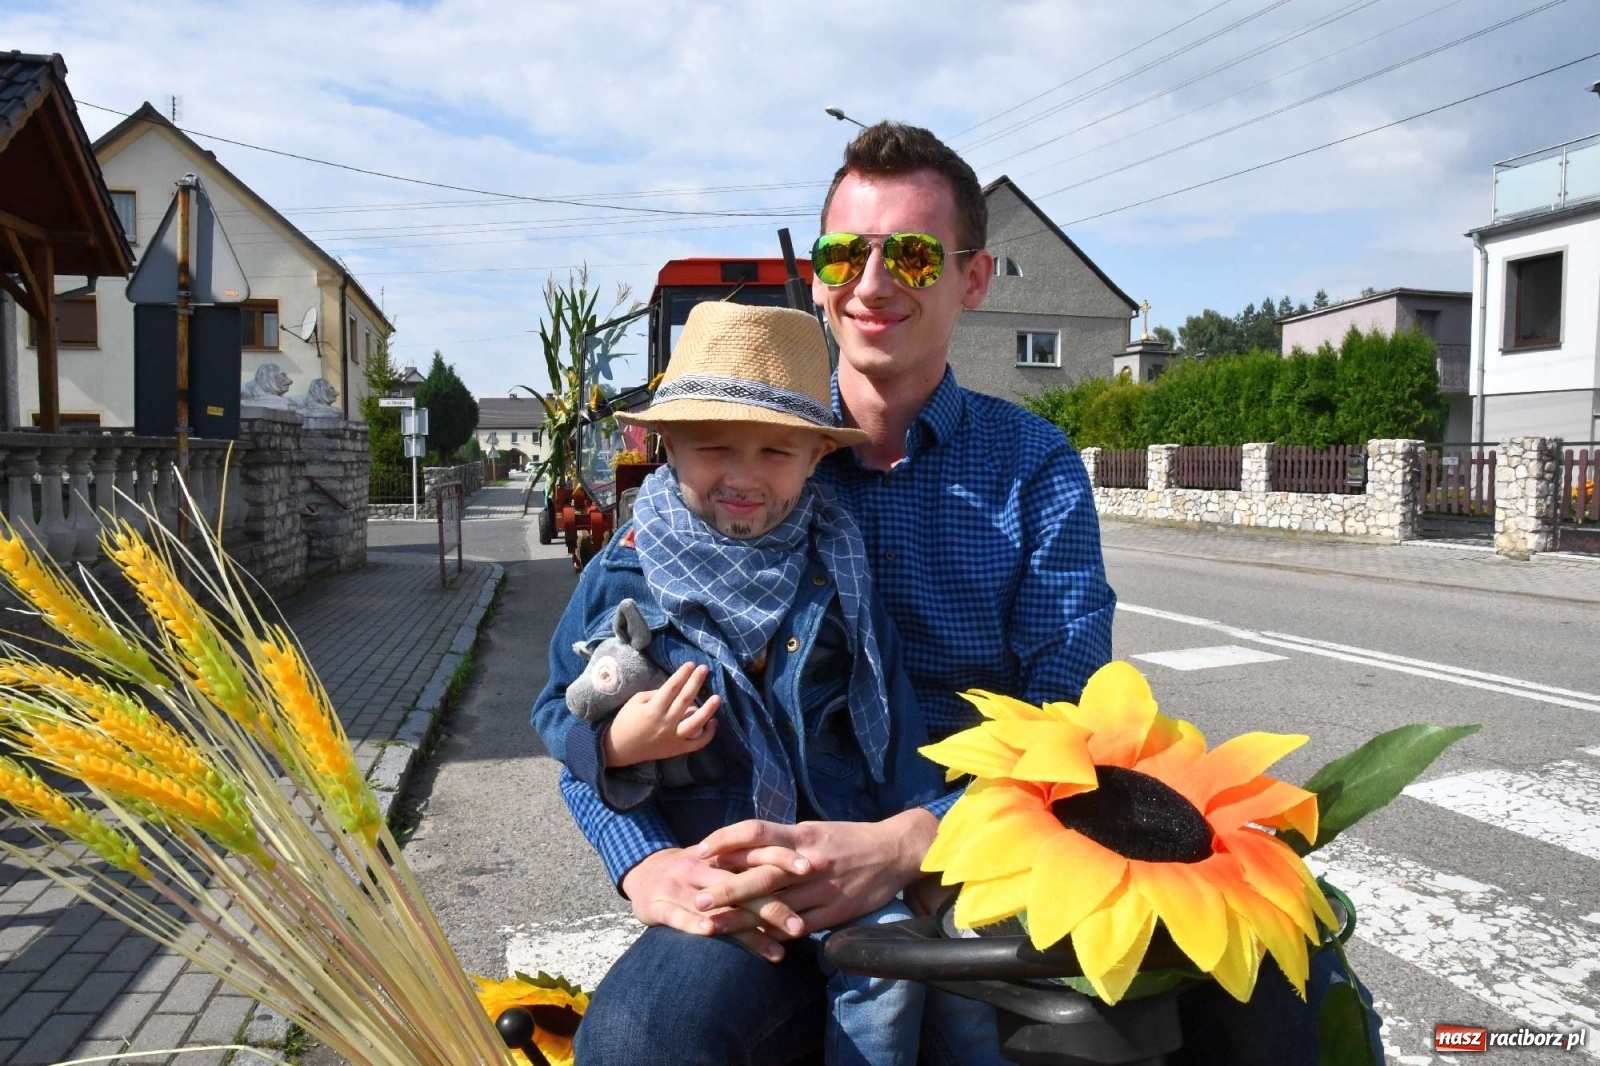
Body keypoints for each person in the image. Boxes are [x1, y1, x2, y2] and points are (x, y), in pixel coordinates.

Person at [533, 300, 1002, 1065]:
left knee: (909, 987)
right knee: (634, 1037)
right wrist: (617, 748)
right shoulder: (624, 575)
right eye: (714, 447)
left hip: (840, 857)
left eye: (776, 452)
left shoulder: (837, 564)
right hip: (719, 878)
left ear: (818, 454)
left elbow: (890, 713)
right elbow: (559, 713)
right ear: (666, 446)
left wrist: (918, 846)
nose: (744, 475)